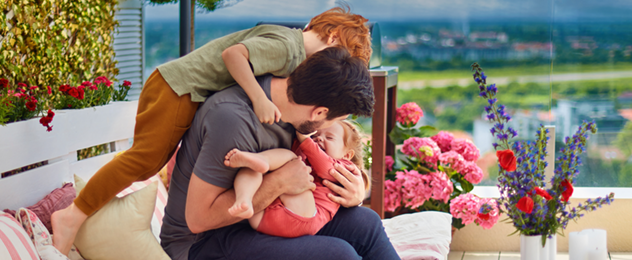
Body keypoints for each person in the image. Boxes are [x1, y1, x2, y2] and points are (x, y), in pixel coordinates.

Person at [51, 6, 372, 255]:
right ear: (331, 38)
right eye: (339, 56)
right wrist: (259, 99)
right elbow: (234, 56)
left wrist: (360, 189)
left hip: (190, 95)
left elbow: (324, 149)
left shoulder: (296, 90)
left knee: (366, 224)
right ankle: (73, 216)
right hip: (178, 87)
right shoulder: (289, 48)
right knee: (146, 161)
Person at [162, 46, 399, 260]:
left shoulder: (294, 105)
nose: (328, 130)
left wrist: (356, 191)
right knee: (338, 255)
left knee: (366, 223)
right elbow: (198, 220)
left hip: (265, 215)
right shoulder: (233, 121)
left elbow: (328, 165)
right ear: (319, 113)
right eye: (335, 120)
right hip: (203, 243)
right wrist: (278, 183)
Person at [223, 120, 369, 238]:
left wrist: (305, 139)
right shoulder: (307, 156)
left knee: (292, 160)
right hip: (260, 219)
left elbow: (325, 167)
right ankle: (244, 199)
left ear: (347, 155)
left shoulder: (344, 167)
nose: (318, 138)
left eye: (329, 137)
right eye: (315, 135)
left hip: (305, 216)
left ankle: (263, 160)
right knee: (254, 169)